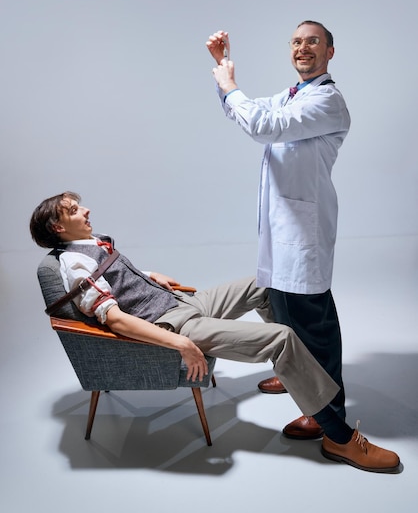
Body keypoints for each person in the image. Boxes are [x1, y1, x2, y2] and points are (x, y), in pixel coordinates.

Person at [30, 191, 401, 473]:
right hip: (175, 323)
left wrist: (150, 275)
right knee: (281, 338)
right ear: (58, 228)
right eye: (75, 210)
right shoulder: (74, 263)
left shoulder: (92, 244)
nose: (86, 210)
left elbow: (117, 275)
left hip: (178, 301)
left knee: (265, 284)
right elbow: (115, 320)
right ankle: (339, 437)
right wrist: (181, 343)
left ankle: (294, 373)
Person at [206, 22, 349, 440]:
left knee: (312, 326)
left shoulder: (328, 101)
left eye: (313, 41)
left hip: (303, 236)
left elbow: (263, 127)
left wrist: (230, 84)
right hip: (281, 228)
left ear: (330, 52)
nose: (303, 48)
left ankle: (326, 413)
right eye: (297, 41)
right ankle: (295, 376)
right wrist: (223, 70)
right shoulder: (294, 95)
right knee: (281, 311)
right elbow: (244, 111)